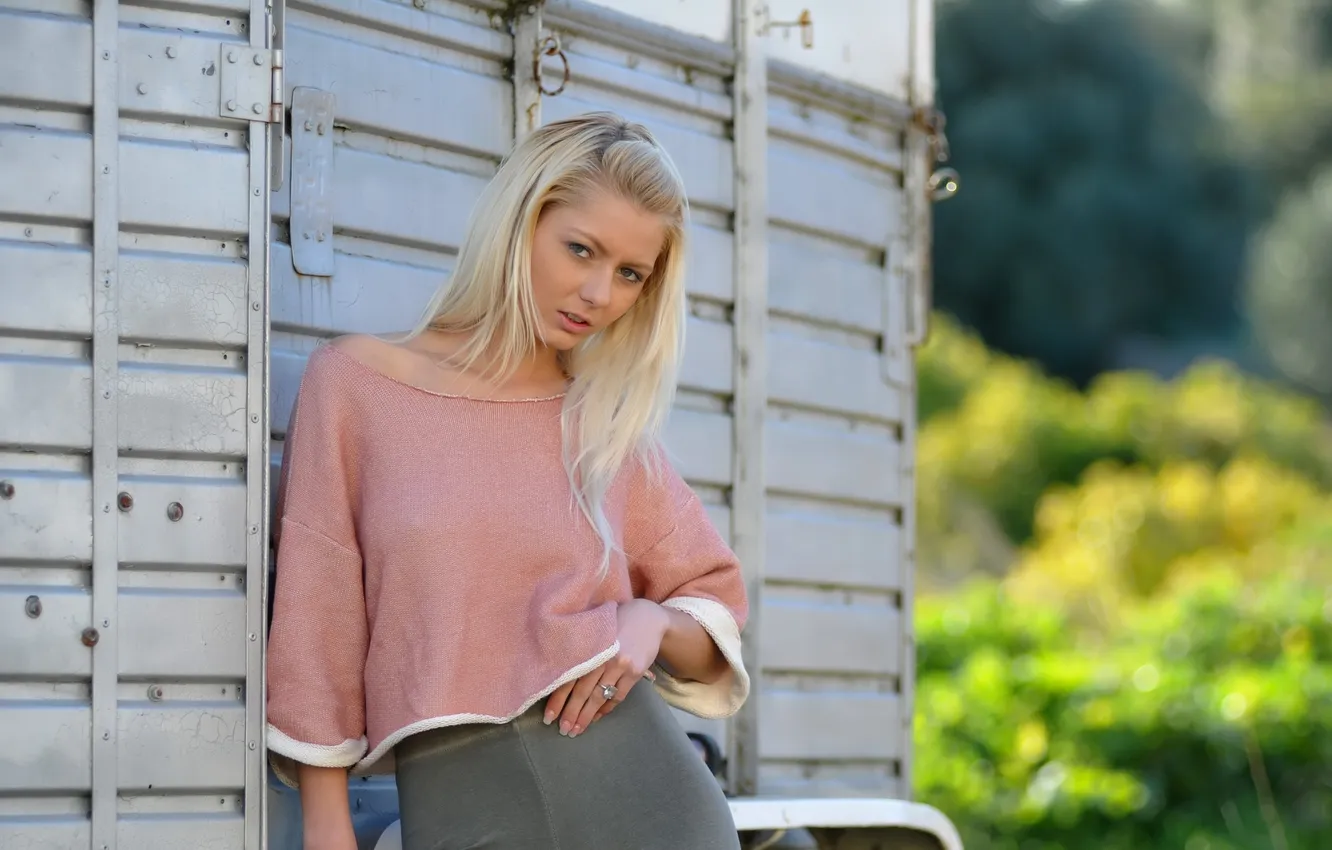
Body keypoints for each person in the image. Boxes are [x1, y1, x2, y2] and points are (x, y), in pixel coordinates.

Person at [265, 111, 751, 850]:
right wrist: (326, 828)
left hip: (647, 807)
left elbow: (714, 612)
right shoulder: (357, 386)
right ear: (521, 222)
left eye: (629, 274)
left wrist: (650, 622)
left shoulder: (604, 427)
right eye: (580, 249)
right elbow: (316, 619)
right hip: (461, 809)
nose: (597, 293)